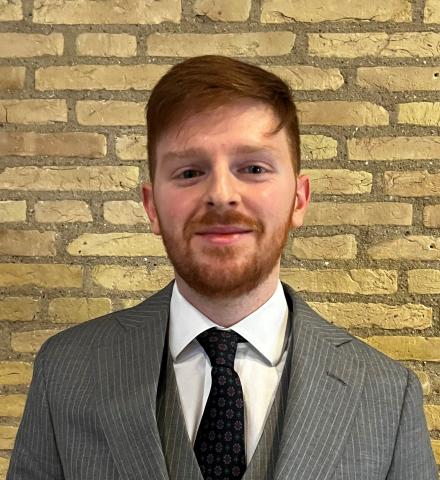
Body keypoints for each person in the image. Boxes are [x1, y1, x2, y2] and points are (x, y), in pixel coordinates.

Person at [7, 55, 437, 480]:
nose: (221, 194)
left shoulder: (386, 393)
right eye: (190, 171)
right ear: (152, 206)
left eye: (253, 167)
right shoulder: (66, 370)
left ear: (299, 199)